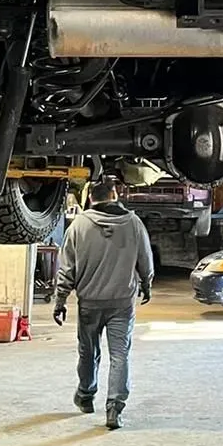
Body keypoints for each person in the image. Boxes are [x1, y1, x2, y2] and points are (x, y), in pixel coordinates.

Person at [53, 176, 154, 430]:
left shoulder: (78, 226)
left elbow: (67, 268)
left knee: (89, 352)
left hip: (89, 302)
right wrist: (146, 284)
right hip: (122, 302)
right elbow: (146, 259)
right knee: (120, 354)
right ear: (114, 195)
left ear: (90, 198)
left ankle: (86, 396)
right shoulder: (133, 223)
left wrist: (60, 300)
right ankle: (114, 409)